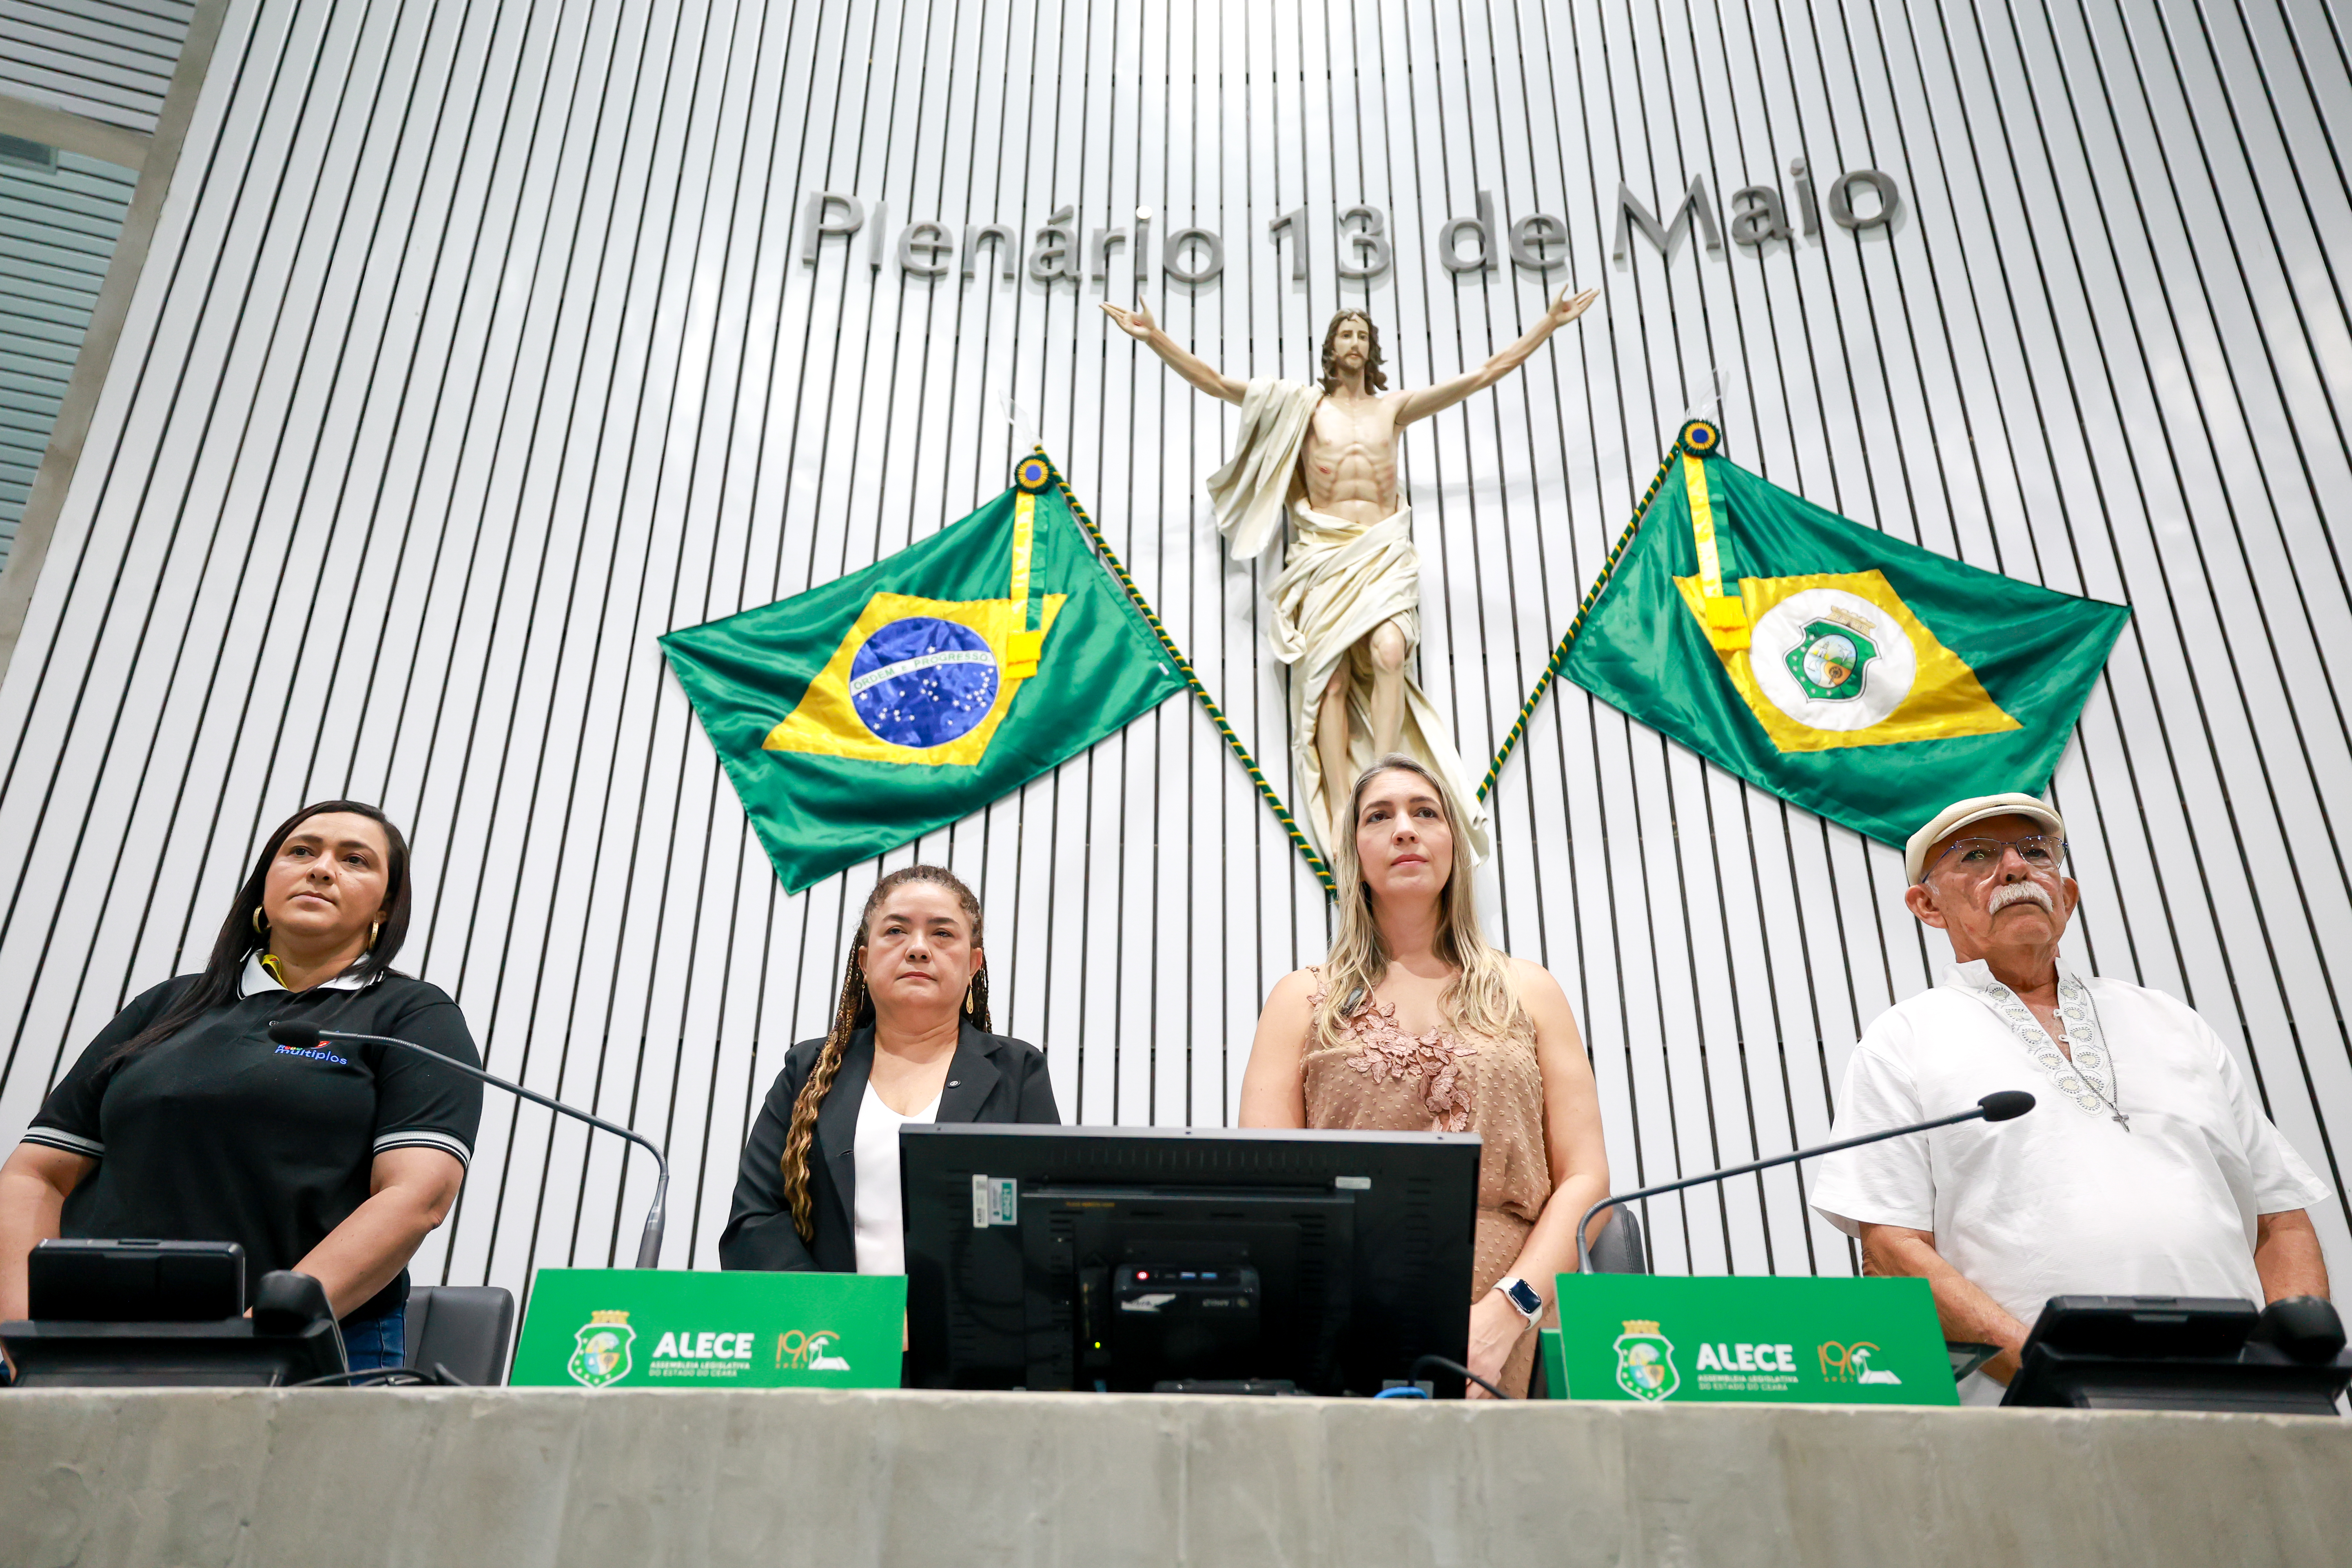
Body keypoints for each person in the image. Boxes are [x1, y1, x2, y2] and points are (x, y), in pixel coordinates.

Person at [1809, 792, 2333, 1404]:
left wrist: (2293, 1367)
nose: (2014, 868)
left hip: (2242, 1397)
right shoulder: (1904, 1039)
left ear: (2068, 893)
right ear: (1926, 904)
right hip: (2036, 1413)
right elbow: (1893, 1250)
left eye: (2036, 853)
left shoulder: (2171, 1021)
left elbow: (2281, 1220)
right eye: (1976, 855)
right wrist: (2047, 1372)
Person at [1102, 290, 1597, 859]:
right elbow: (1214, 382)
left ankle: (1383, 776)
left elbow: (1484, 374)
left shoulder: (1394, 408)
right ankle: (1346, 805)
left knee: (1391, 652)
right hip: (1323, 554)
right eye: (1346, 334)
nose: (1355, 342)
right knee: (1330, 682)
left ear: (1372, 348)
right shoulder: (1303, 407)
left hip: (1383, 551)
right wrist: (1155, 336)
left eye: (1363, 334)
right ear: (1330, 349)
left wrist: (1548, 325)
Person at [0, 801, 482, 1374]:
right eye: (301, 850)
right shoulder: (167, 1004)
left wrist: (257, 1335)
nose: (322, 868)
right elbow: (37, 1172)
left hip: (306, 1344)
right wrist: (22, 1327)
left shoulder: (413, 1016)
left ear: (384, 907)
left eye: (355, 859)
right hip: (96, 1337)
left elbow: (416, 1197)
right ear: (263, 888)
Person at [1238, 755, 1610, 1397]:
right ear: (1353, 853)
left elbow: (1586, 1179)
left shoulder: (1530, 990)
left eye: (1425, 812)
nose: (1404, 828)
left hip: (1510, 1306)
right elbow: (1267, 1186)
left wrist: (1507, 1311)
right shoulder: (1300, 999)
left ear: (1453, 845)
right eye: (1379, 816)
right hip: (1338, 1305)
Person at [720, 865, 1058, 1276]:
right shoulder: (805, 1070)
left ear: (973, 964)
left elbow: (1045, 1228)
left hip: (966, 1335)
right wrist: (847, 1317)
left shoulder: (1017, 1072)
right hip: (827, 1332)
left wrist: (935, 1318)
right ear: (864, 960)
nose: (917, 948)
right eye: (896, 931)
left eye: (942, 933)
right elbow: (755, 1223)